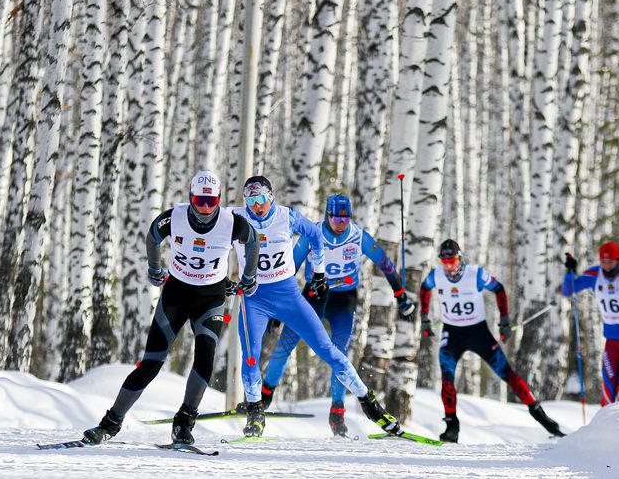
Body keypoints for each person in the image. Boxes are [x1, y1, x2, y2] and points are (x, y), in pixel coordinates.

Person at [82, 170, 259, 446]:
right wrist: (154, 269)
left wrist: (249, 277)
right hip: (175, 295)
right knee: (150, 363)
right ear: (190, 198)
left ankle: (183, 425)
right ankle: (109, 424)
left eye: (210, 201)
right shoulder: (174, 217)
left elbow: (253, 241)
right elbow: (153, 236)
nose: (204, 208)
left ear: (219, 200)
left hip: (210, 298)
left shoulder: (231, 222)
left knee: (204, 360)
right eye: (199, 201)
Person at [232, 176, 401, 438]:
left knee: (328, 350)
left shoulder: (287, 217)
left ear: (271, 196)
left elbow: (313, 233)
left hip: (288, 295)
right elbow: (203, 229)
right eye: (251, 200)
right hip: (254, 299)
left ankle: (371, 405)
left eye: (261, 198)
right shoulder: (235, 217)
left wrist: (319, 272)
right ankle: (256, 412)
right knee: (251, 355)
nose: (257, 205)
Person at [419, 239, 564, 443]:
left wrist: (504, 320)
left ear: (459, 259)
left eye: (451, 261)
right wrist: (424, 318)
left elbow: (499, 288)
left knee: (507, 374)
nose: (448, 267)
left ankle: (544, 419)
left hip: (478, 332)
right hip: (452, 334)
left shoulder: (475, 274)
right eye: (444, 262)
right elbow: (425, 289)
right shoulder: (437, 275)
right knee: (447, 378)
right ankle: (452, 426)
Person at [563, 241, 619, 406]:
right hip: (612, 340)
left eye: (611, 262)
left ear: (618, 260)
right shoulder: (596, 274)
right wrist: (570, 271)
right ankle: (604, 427)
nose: (607, 266)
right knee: (608, 387)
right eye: (603, 262)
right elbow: (569, 289)